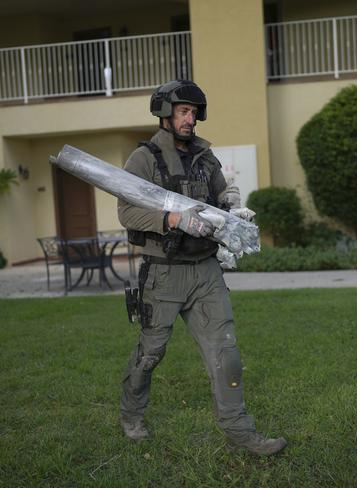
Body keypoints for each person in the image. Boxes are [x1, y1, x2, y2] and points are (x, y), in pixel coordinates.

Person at [116, 80, 287, 456]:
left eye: (194, 112)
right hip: (163, 274)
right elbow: (126, 210)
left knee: (226, 354)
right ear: (165, 113)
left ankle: (240, 434)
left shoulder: (206, 158)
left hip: (206, 272)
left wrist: (233, 204)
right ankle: (131, 414)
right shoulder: (143, 159)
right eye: (182, 111)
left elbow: (223, 193)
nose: (189, 119)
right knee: (150, 354)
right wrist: (172, 220)